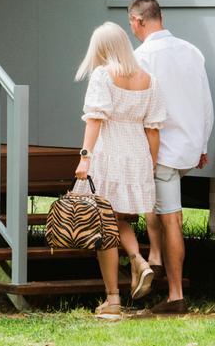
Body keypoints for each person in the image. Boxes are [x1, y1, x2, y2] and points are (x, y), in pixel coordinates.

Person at [128, 0, 214, 316]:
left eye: (132, 25)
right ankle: (156, 259)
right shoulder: (193, 52)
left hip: (161, 149)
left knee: (172, 218)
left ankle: (176, 296)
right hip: (190, 147)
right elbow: (206, 103)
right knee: (158, 200)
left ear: (138, 21)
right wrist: (203, 145)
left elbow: (141, 108)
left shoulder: (142, 57)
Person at [75, 21, 167, 318]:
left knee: (104, 224)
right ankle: (138, 261)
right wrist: (149, 165)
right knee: (114, 218)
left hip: (109, 155)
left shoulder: (103, 75)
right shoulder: (149, 80)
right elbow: (153, 129)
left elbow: (95, 120)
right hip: (137, 154)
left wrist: (84, 157)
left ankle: (113, 298)